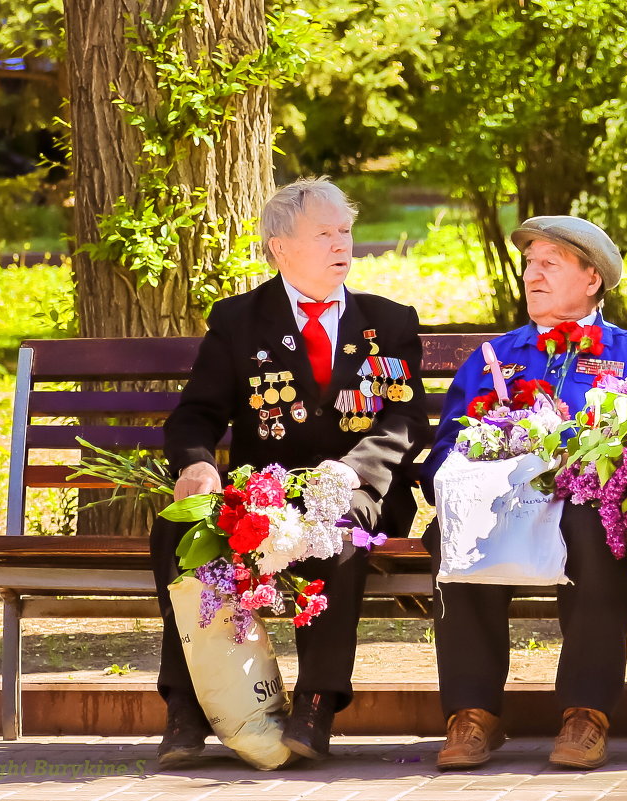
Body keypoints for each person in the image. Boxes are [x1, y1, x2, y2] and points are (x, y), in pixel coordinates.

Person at [151, 177, 429, 768]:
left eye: (345, 231)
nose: (341, 244)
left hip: (358, 488)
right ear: (281, 248)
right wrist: (198, 466)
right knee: (179, 528)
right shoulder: (239, 322)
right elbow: (194, 416)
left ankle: (317, 701)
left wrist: (351, 471)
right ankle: (185, 704)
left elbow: (405, 419)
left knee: (336, 528)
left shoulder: (391, 321)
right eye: (324, 233)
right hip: (265, 491)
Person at [419, 216, 627, 771]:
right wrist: (467, 482)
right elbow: (445, 448)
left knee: (601, 528)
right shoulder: (492, 358)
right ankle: (473, 714)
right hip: (502, 506)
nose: (532, 274)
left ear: (592, 279)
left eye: (549, 264)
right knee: (458, 530)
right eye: (530, 263)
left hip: (585, 508)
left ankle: (586, 713)